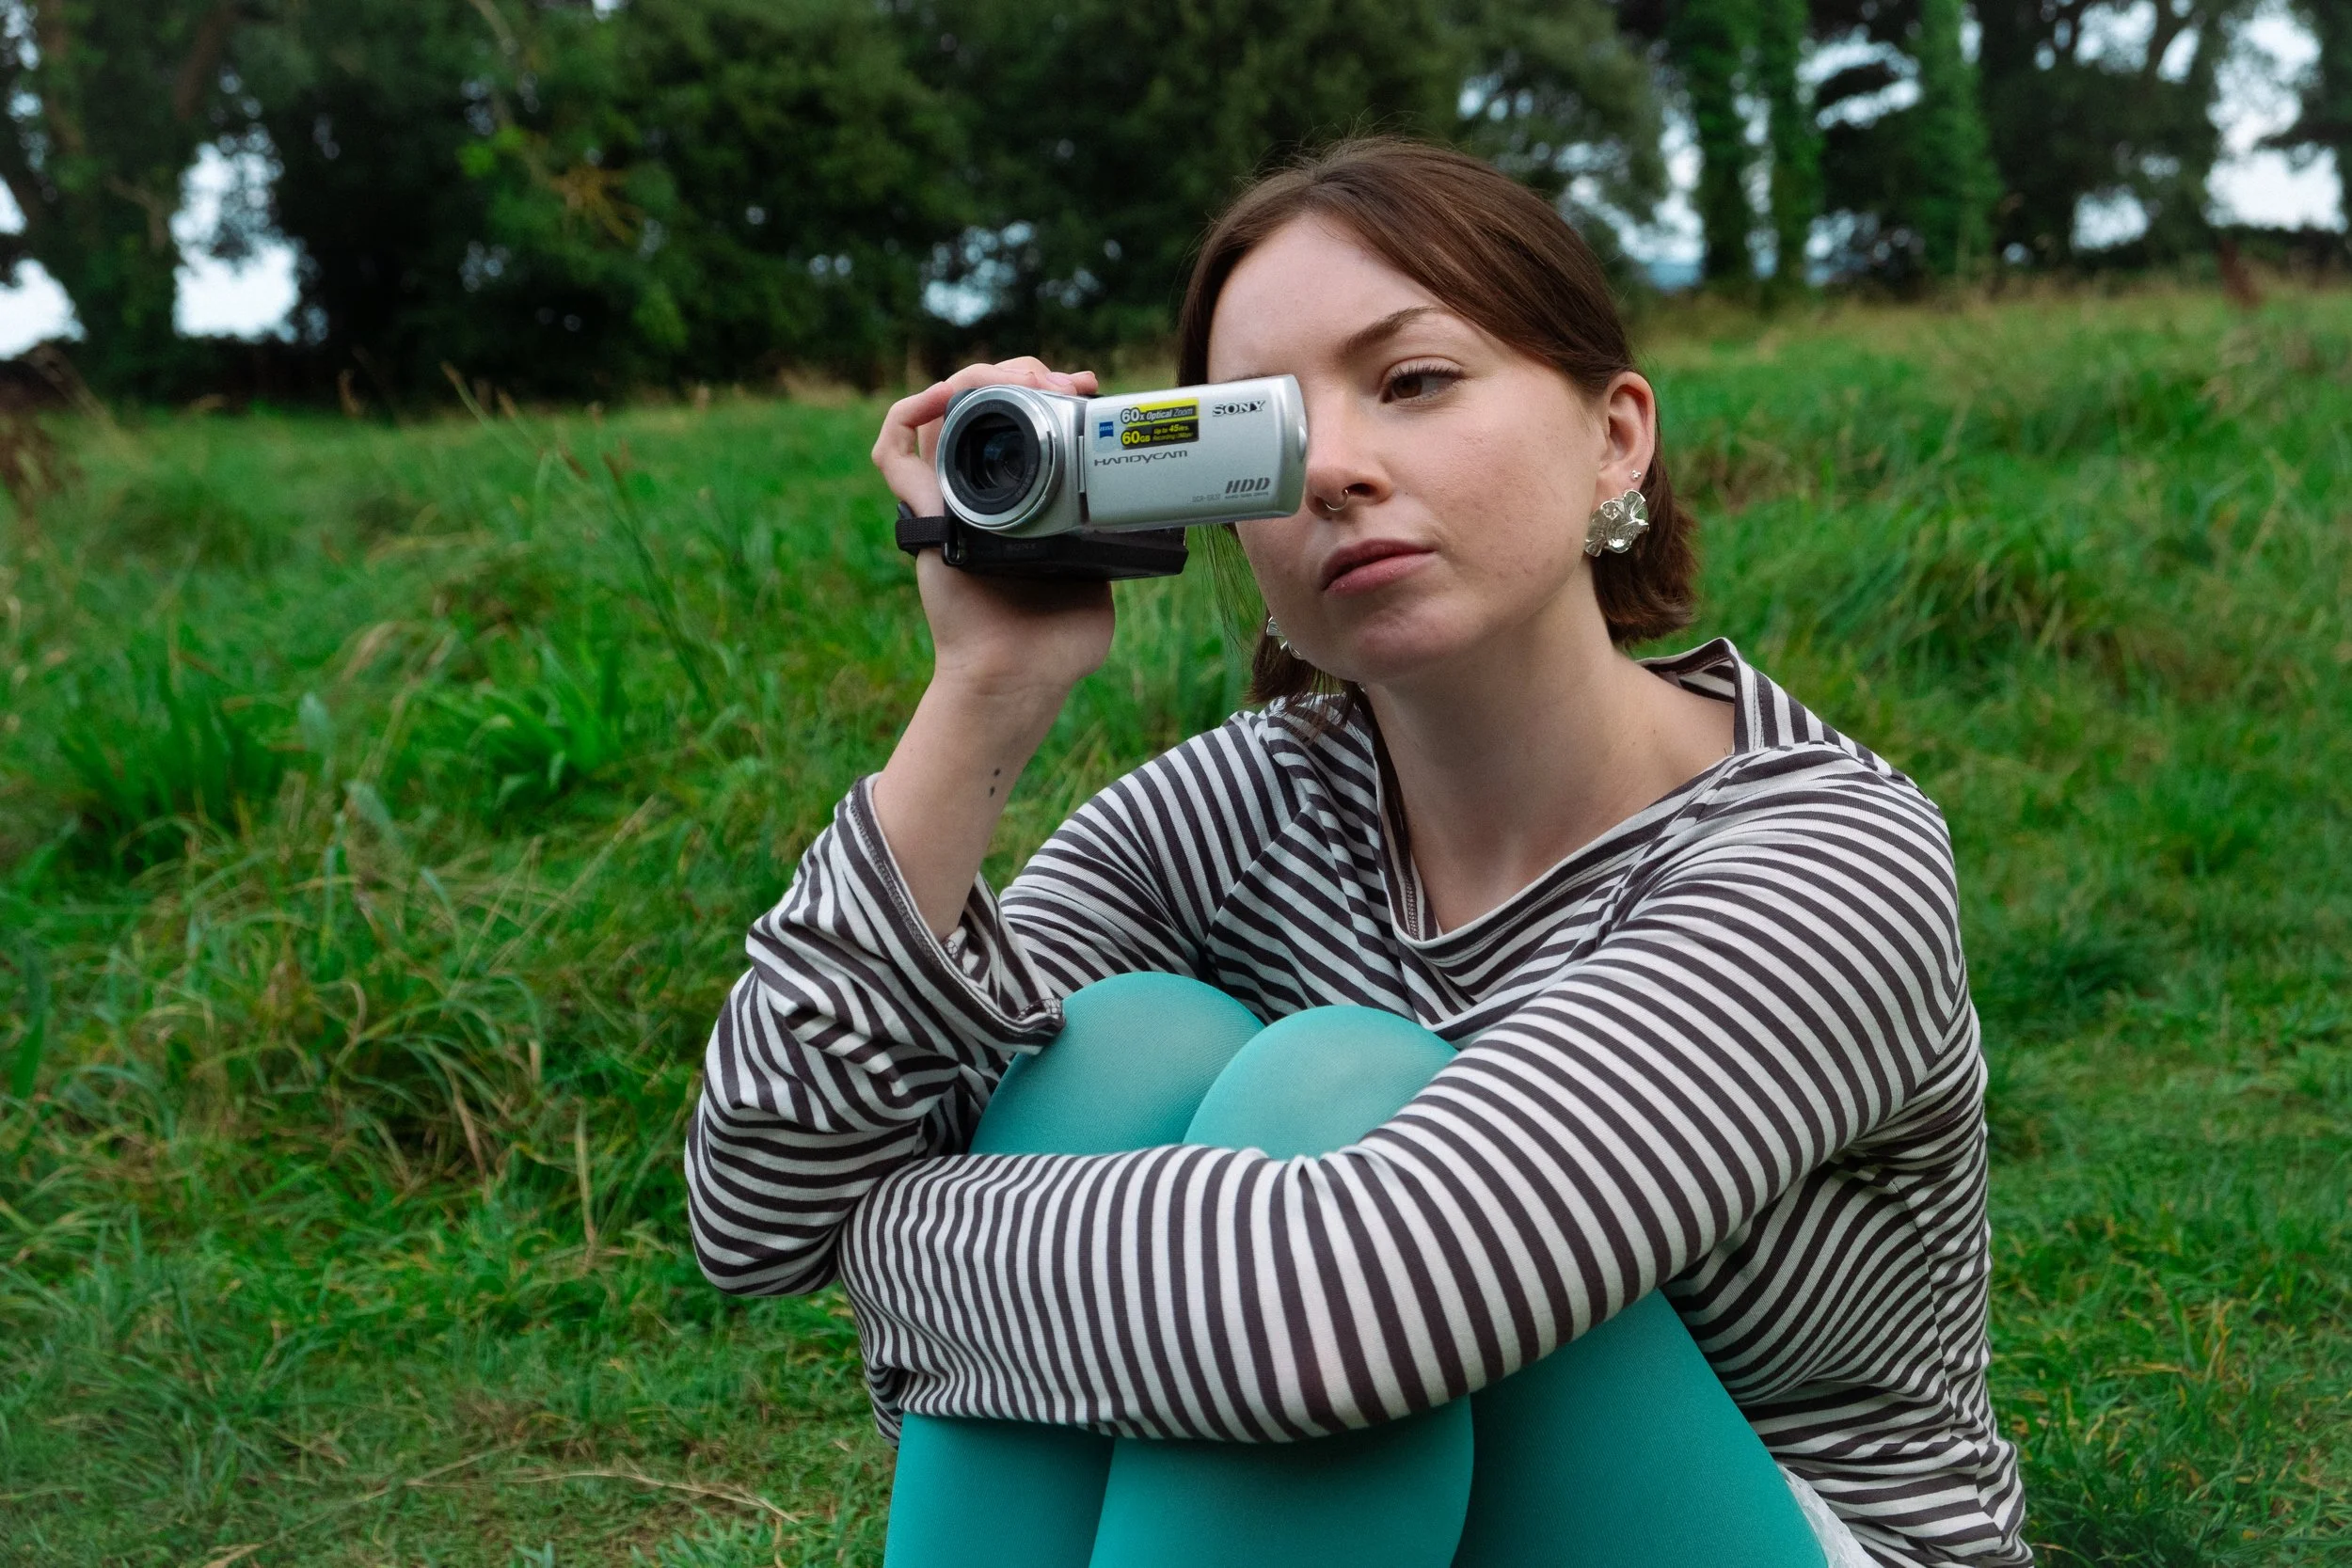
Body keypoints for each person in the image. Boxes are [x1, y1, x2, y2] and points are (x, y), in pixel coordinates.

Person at [687, 139, 2028, 1568]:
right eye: (1264, 429)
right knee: (1123, 1047)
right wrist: (981, 698)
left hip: (1800, 1534)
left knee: (1340, 1090)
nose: (1332, 468)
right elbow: (762, 1206)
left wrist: (888, 1249)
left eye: (1416, 381)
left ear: (1615, 438)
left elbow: (1350, 1319)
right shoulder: (1233, 814)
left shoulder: (1825, 859)